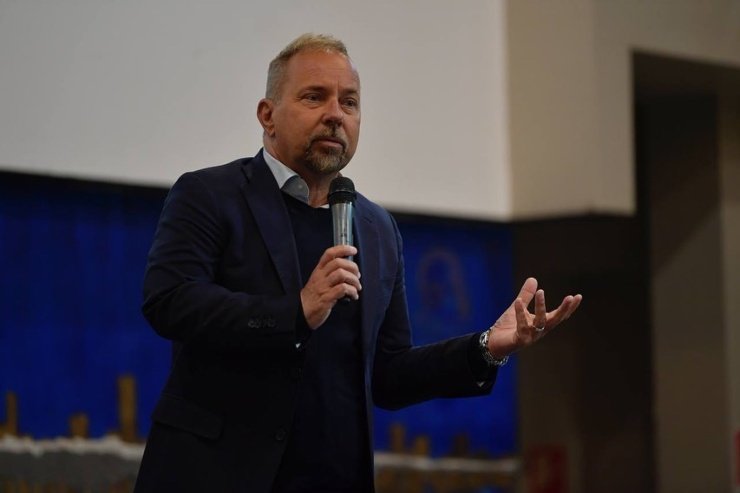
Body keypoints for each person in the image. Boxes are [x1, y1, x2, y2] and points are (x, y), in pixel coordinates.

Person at [133, 33, 582, 493]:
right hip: (219, 477)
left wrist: (486, 346)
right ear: (267, 116)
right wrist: (296, 311)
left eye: (349, 103)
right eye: (314, 97)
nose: (334, 115)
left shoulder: (376, 227)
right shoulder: (210, 195)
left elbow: (388, 374)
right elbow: (169, 301)